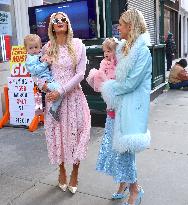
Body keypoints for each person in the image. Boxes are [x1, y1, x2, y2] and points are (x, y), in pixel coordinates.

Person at [96, 8, 152, 205]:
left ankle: (135, 189)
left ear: (131, 26)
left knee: (125, 150)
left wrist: (108, 89)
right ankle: (123, 183)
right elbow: (116, 73)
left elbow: (131, 83)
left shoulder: (142, 51)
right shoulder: (123, 48)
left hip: (131, 107)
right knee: (115, 148)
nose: (118, 27)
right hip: (119, 105)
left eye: (121, 24)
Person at [39, 12, 91, 194]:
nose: (60, 22)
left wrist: (61, 90)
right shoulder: (47, 48)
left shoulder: (78, 45)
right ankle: (61, 170)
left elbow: (80, 74)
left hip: (73, 97)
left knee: (77, 135)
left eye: (63, 20)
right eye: (56, 20)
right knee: (57, 135)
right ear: (52, 26)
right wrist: (45, 87)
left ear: (68, 24)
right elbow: (38, 73)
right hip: (54, 102)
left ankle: (75, 172)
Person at [24, 34, 62, 120]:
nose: (34, 50)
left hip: (48, 79)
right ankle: (53, 110)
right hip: (42, 81)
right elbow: (35, 70)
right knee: (60, 90)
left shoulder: (38, 55)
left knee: (58, 92)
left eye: (36, 47)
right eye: (31, 48)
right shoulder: (30, 59)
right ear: (26, 49)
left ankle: (52, 109)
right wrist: (45, 63)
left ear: (40, 46)